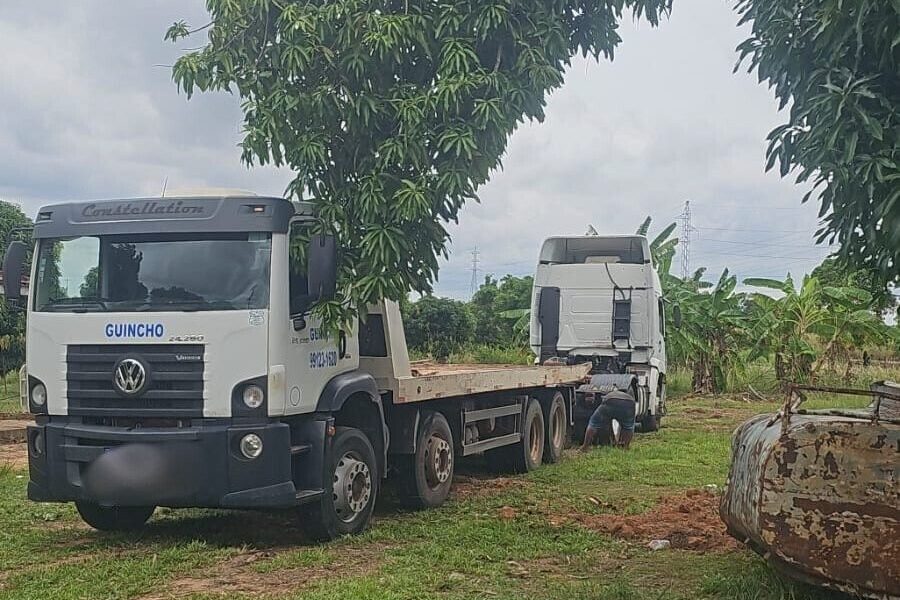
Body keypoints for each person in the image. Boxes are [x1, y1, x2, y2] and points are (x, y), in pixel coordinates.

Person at [581, 386, 636, 450]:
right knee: (628, 427)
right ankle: (625, 447)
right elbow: (612, 426)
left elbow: (607, 424)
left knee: (593, 423)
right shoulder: (627, 395)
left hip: (610, 400)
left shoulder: (610, 394)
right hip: (629, 403)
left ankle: (585, 447)